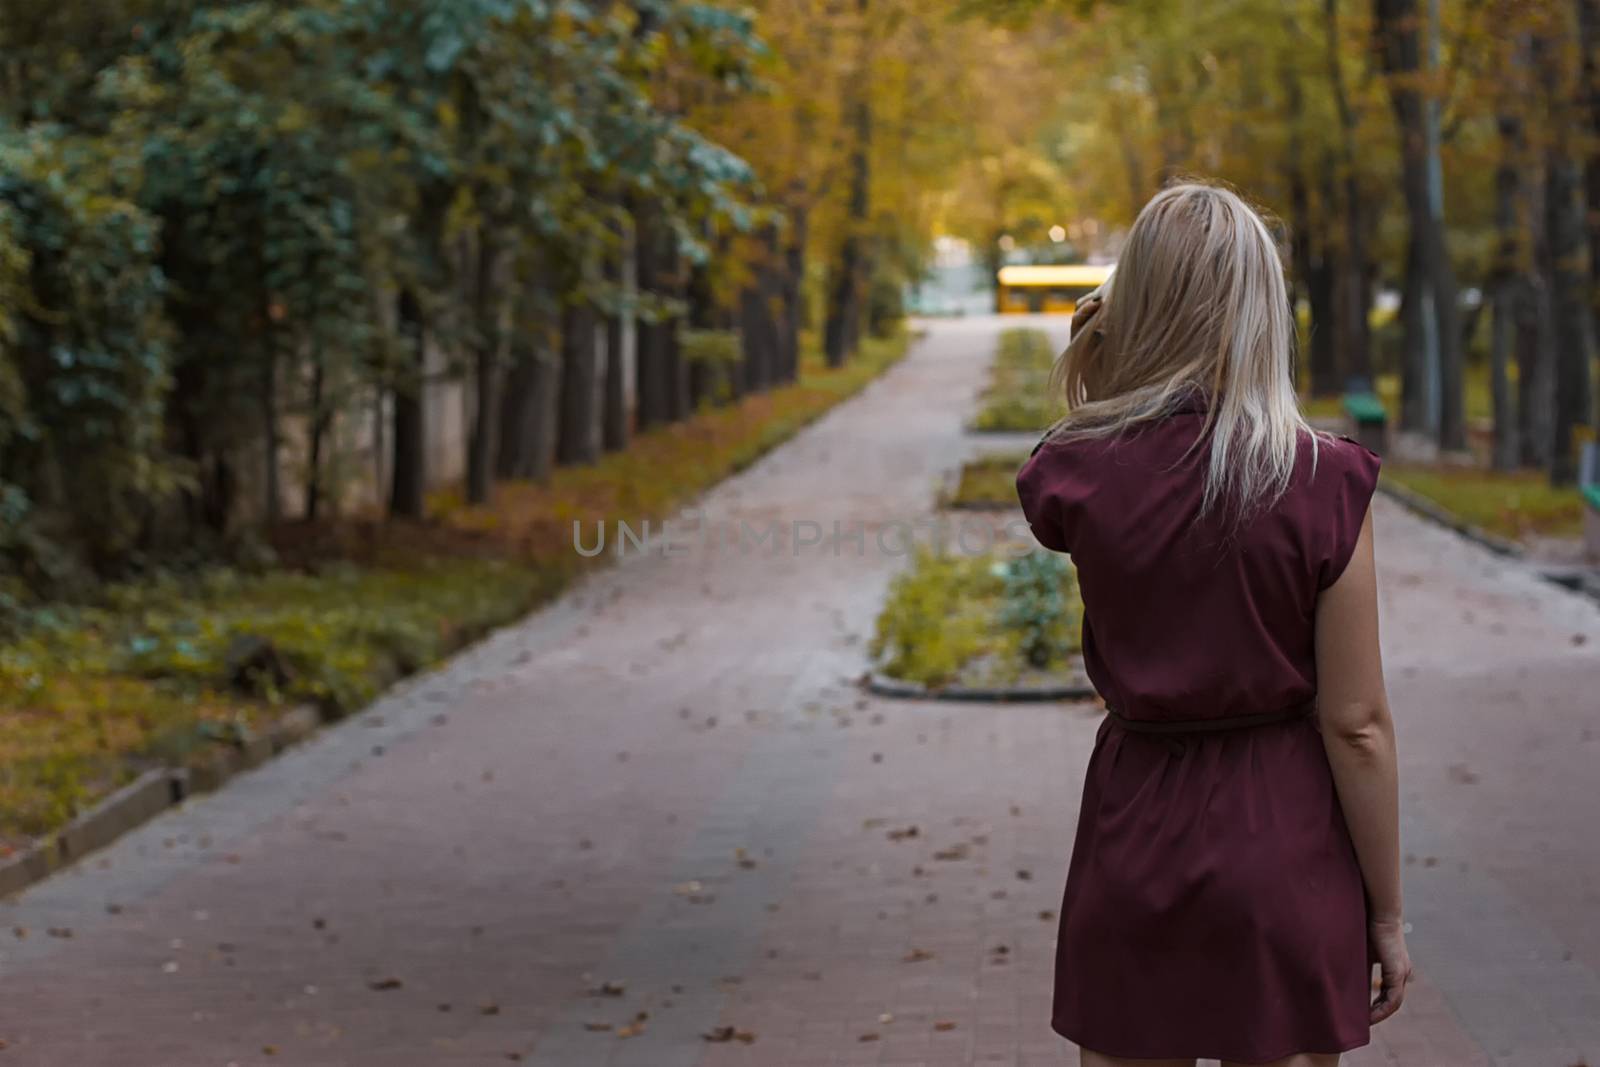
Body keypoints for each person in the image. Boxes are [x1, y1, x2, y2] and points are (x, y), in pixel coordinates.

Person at [1014, 180, 1410, 1067]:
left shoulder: (1080, 473)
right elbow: (1357, 725)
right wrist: (1383, 910)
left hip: (1134, 827)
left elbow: (1070, 454)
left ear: (1136, 303)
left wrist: (1100, 355)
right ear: (1263, 307)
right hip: (1284, 834)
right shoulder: (1323, 479)